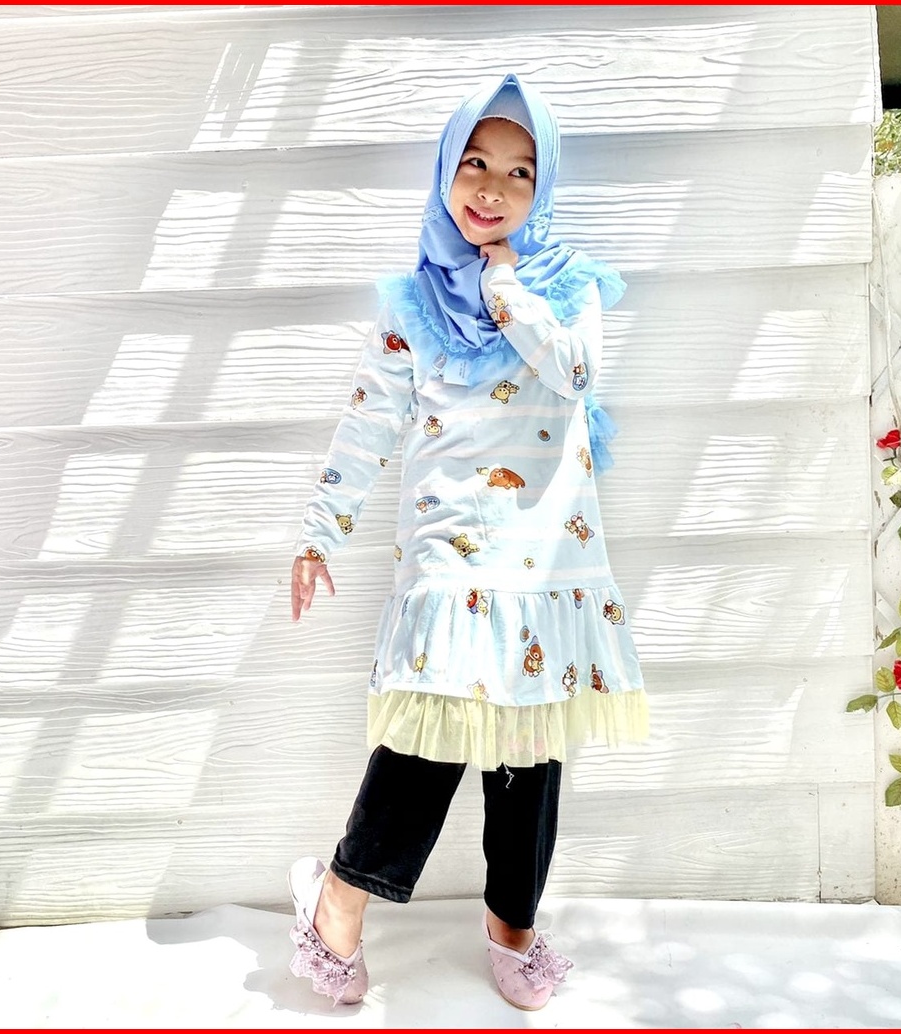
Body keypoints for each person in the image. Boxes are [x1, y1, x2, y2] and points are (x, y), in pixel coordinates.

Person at [287, 72, 648, 1011]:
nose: (492, 189)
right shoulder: (413, 303)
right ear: (447, 170)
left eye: (520, 172)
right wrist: (319, 533)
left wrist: (507, 291)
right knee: (430, 734)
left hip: (548, 552)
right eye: (475, 164)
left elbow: (576, 374)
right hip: (449, 550)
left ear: (543, 186)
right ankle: (338, 901)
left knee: (530, 746)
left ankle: (511, 922)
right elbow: (368, 422)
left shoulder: (568, 287)